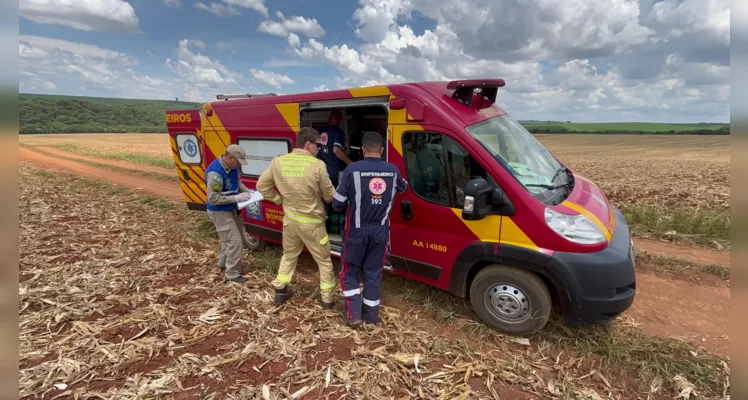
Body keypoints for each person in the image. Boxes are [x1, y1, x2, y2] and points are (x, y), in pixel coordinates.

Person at [255, 127, 338, 309]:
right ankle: (327, 301)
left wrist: (279, 200)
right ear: (308, 144)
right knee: (323, 261)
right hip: (313, 224)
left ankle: (280, 292)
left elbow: (261, 186)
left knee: (289, 255)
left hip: (290, 221)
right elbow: (330, 197)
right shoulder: (318, 166)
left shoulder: (278, 162)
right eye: (318, 145)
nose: (320, 149)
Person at [332, 131, 408, 325]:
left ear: (363, 150)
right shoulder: (393, 170)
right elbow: (403, 187)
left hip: (356, 231)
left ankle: (353, 315)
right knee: (373, 273)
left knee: (349, 271)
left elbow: (337, 203)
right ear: (382, 150)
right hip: (381, 231)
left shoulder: (353, 170)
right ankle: (371, 317)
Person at [205, 144, 255, 283]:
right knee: (235, 242)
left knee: (229, 239)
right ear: (230, 157)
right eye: (238, 162)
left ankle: (223, 264)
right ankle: (232, 274)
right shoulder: (216, 173)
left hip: (231, 208)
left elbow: (237, 182)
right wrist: (237, 197)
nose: (239, 165)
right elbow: (213, 198)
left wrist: (247, 191)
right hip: (219, 211)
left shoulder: (232, 168)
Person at [317, 109, 352, 187]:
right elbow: (336, 150)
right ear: (339, 120)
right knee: (333, 196)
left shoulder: (319, 131)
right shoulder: (337, 132)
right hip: (333, 172)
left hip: (320, 171)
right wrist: (350, 163)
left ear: (329, 118)